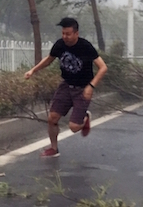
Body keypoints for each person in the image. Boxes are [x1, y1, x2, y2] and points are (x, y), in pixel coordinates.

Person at [24, 17, 107, 157]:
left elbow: (103, 67)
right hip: (66, 86)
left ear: (76, 33)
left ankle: (85, 119)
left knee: (74, 127)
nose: (65, 37)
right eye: (63, 33)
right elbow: (49, 60)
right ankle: (54, 148)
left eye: (68, 34)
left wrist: (91, 86)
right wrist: (33, 70)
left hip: (82, 89)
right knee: (52, 118)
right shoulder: (60, 45)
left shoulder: (85, 46)